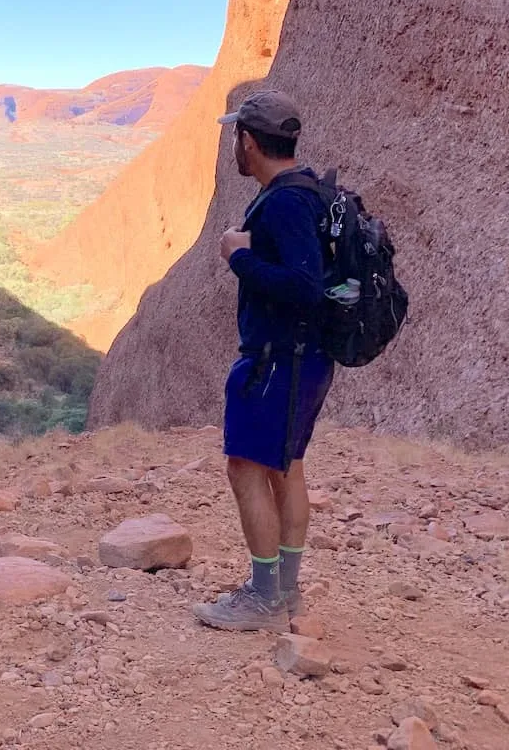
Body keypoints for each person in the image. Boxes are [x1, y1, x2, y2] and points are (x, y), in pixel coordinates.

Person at [193, 89, 335, 632]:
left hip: (279, 360)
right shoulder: (311, 193)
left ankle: (264, 596)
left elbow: (304, 287)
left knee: (245, 468)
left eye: (237, 137)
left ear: (248, 142)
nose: (236, 144)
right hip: (304, 359)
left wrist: (240, 256)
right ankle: (286, 592)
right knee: (286, 467)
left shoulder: (284, 202)